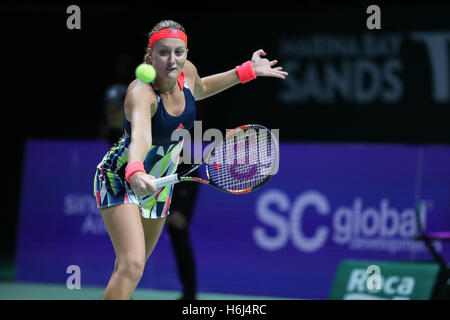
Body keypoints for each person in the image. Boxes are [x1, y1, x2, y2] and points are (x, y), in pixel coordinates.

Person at [93, 19, 288, 300]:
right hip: (121, 178)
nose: (172, 60)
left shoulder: (187, 72)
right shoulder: (141, 93)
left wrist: (247, 71)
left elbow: (202, 88)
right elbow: (141, 138)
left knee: (129, 267)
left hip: (159, 185)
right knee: (132, 266)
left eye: (179, 52)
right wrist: (135, 171)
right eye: (163, 52)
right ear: (150, 56)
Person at [166, 148, 200, 300]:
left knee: (181, 246)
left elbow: (192, 180)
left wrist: (182, 211)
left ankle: (189, 293)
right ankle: (123, 292)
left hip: (175, 206)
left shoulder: (181, 153)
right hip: (148, 199)